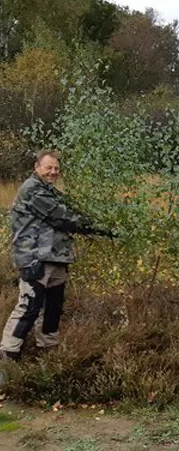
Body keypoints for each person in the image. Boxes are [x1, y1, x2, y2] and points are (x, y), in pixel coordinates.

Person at [0, 151, 113, 362]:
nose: (53, 172)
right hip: (34, 257)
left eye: (56, 168)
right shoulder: (33, 189)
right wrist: (103, 228)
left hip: (56, 257)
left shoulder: (50, 190)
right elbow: (63, 218)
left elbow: (71, 208)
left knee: (53, 306)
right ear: (37, 167)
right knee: (30, 305)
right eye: (48, 167)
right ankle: (8, 353)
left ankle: (48, 348)